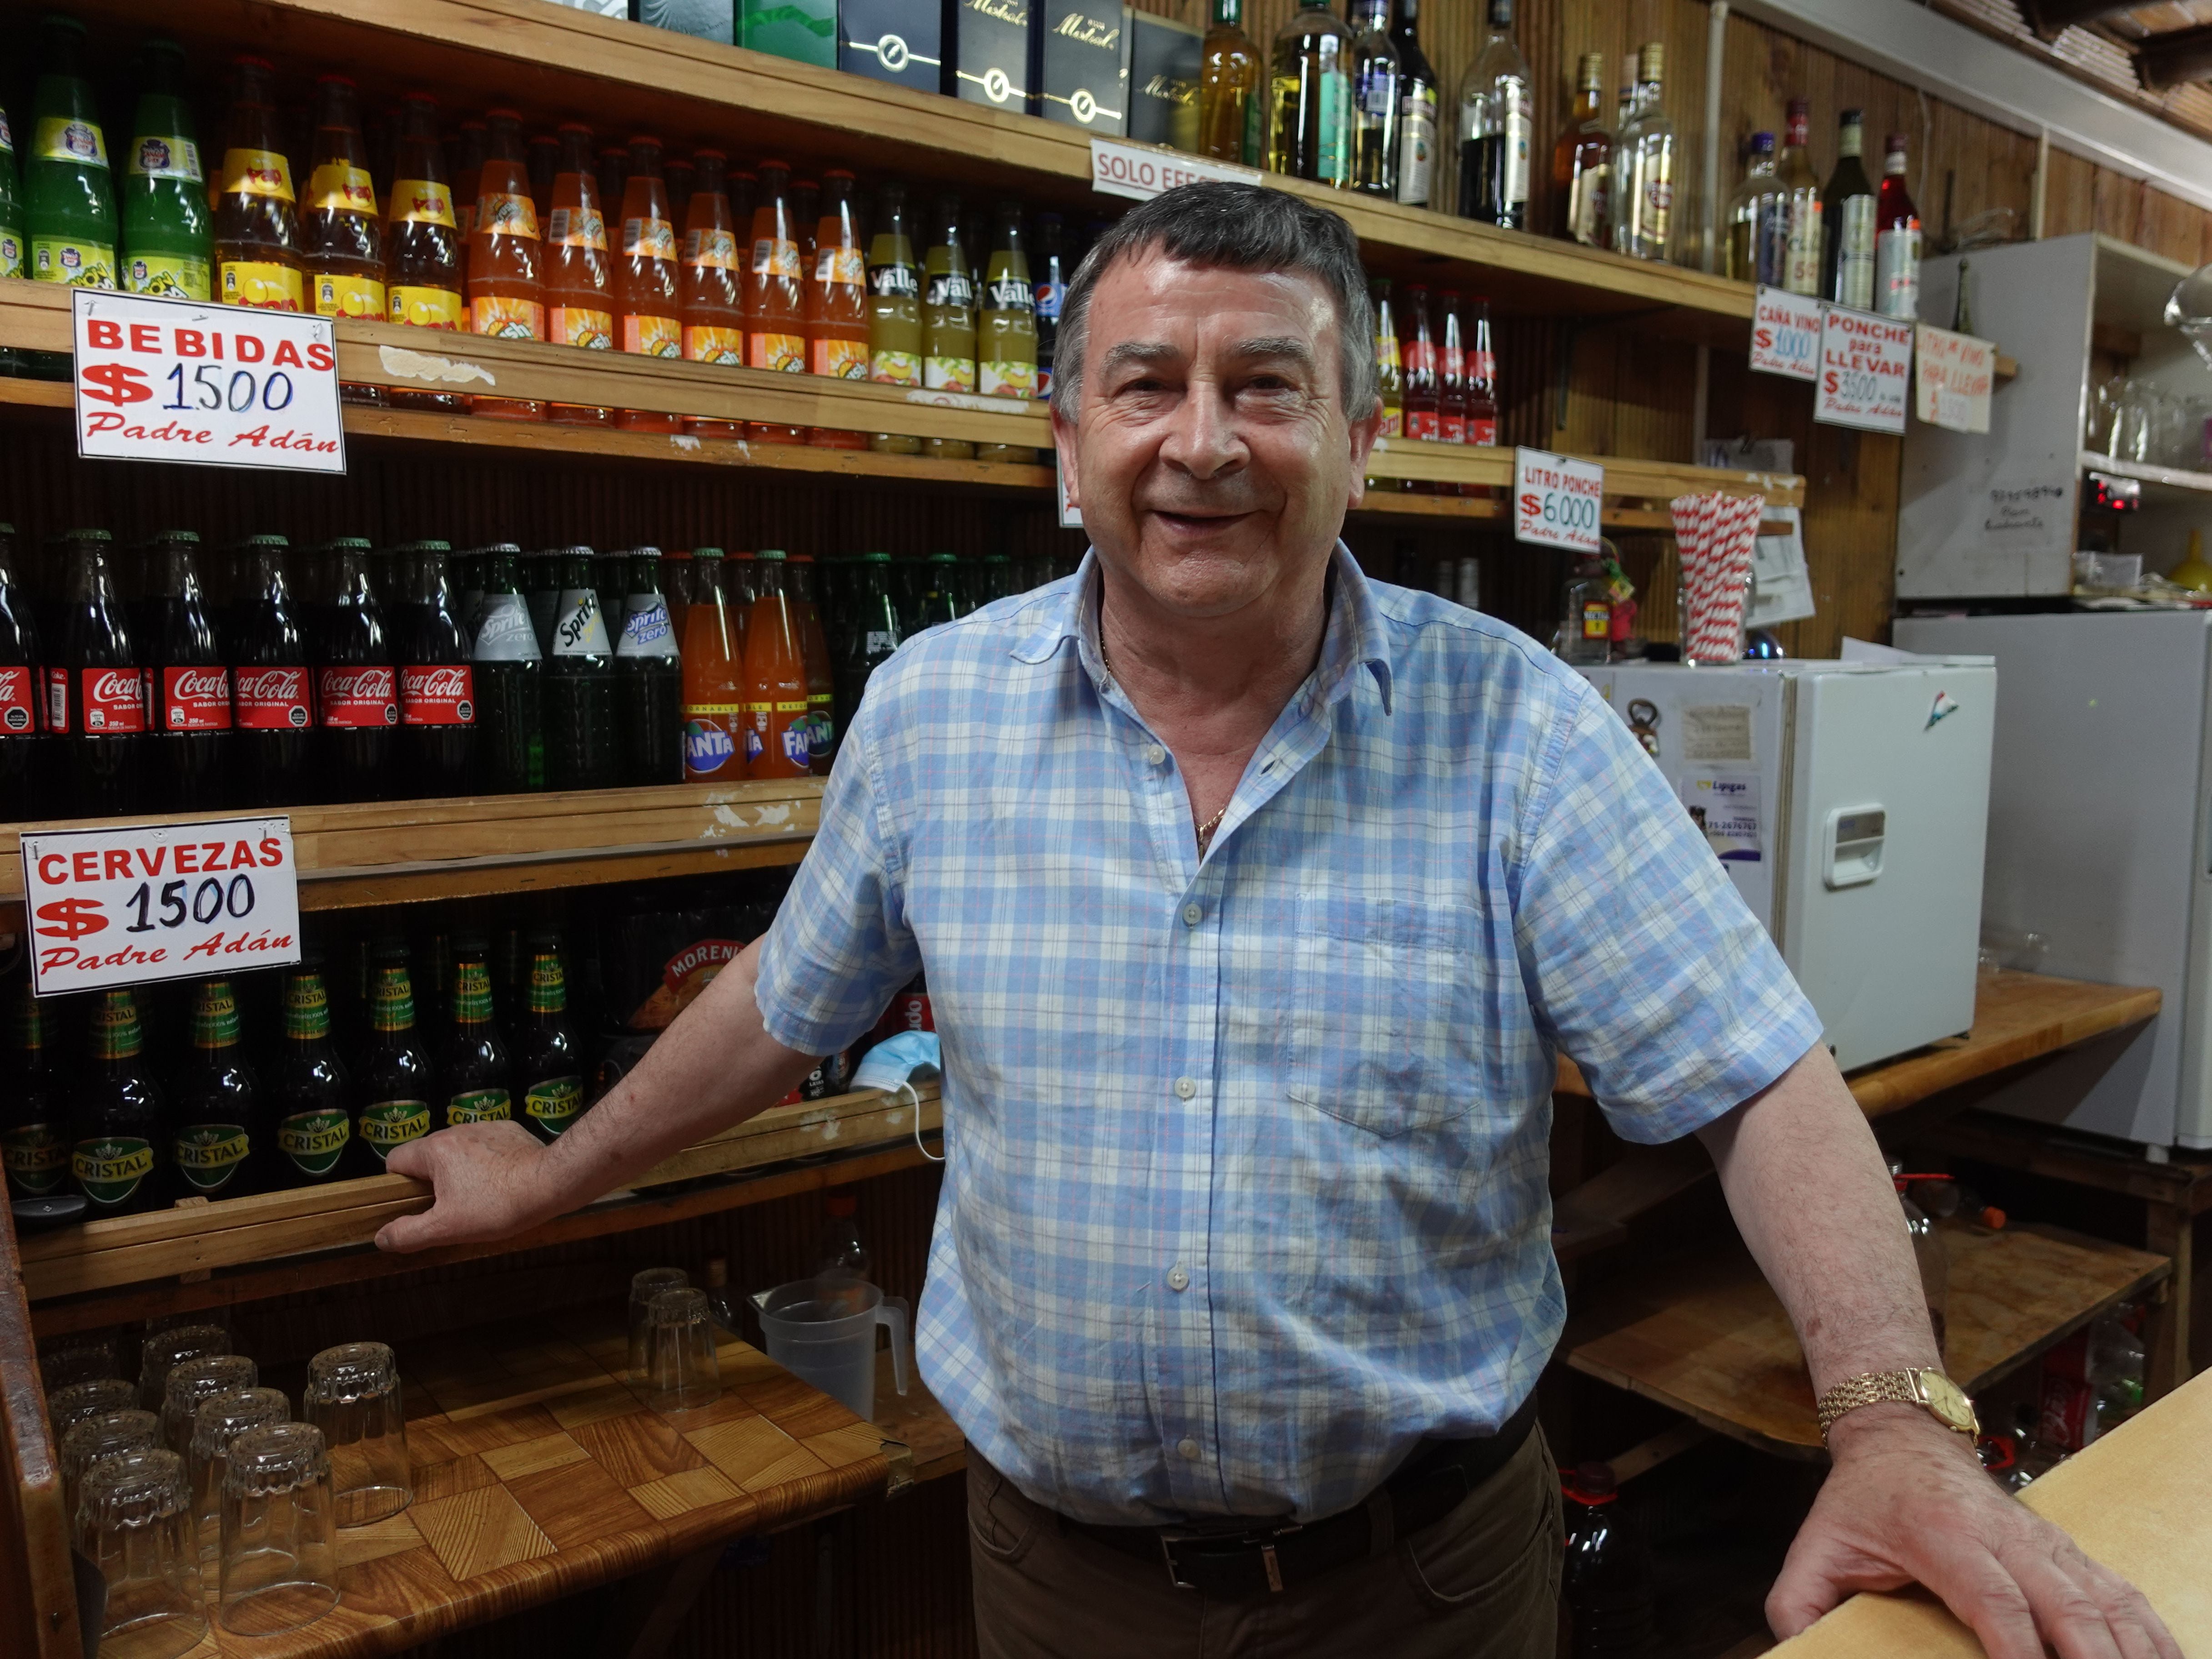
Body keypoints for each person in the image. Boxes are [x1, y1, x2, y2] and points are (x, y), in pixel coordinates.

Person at [377, 183, 2179, 1659]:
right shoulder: (934, 712)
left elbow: (1757, 1077)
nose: (1203, 444)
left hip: (1427, 1590)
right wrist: (549, 1179)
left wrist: (1890, 1424)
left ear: (1362, 440)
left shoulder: (1517, 725)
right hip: (1054, 1587)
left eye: (1268, 386)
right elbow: (785, 997)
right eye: (1147, 383)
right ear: (1065, 435)